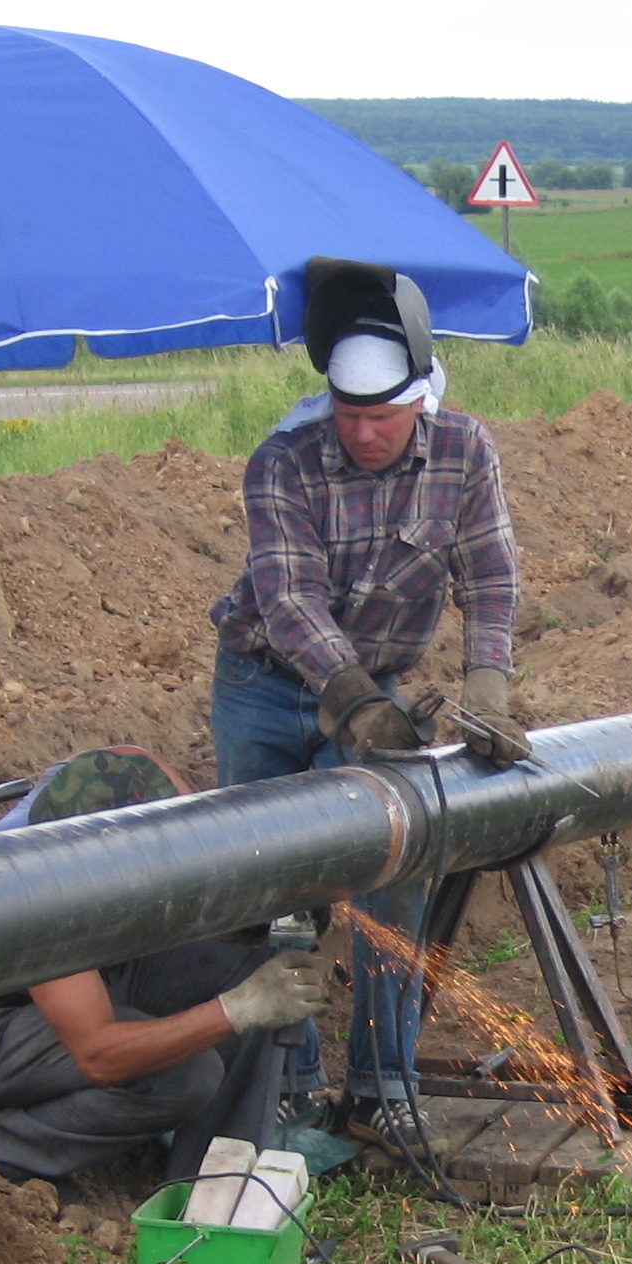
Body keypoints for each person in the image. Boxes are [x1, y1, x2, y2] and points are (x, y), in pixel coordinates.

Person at [207, 258, 529, 1155]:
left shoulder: (464, 453)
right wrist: (349, 701)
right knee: (269, 881)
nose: (364, 433)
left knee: (393, 873)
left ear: (420, 399)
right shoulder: (284, 461)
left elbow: (490, 575)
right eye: (349, 416)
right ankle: (289, 1085)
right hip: (265, 686)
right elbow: (290, 600)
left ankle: (384, 1086)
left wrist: (488, 685)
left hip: (377, 684)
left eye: (382, 417)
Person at [0, 750, 331, 1189]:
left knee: (250, 961)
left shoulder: (130, 774)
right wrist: (236, 1009)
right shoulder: (37, 893)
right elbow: (99, 1056)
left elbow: (206, 847)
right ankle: (9, 1148)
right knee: (186, 1074)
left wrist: (267, 901)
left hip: (103, 973)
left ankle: (215, 1182)